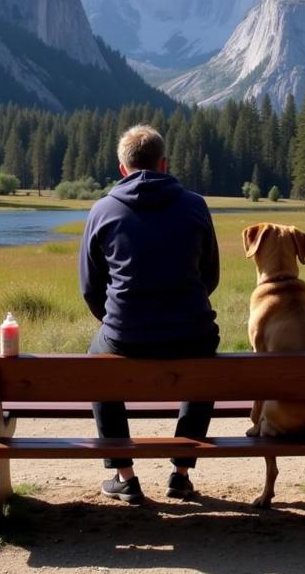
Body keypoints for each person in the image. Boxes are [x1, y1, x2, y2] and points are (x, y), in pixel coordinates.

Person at [79, 124, 220, 504]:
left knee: (97, 366)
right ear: (164, 163)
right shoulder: (195, 205)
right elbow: (211, 276)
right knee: (204, 359)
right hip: (192, 333)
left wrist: (118, 322)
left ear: (122, 168)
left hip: (124, 335)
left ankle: (125, 476)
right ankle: (181, 473)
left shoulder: (103, 209)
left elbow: (90, 288)